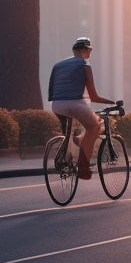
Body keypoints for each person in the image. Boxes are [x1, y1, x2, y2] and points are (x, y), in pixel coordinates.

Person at [48, 37, 116, 180]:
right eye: (89, 50)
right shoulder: (85, 66)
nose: (90, 52)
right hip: (75, 104)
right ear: (85, 50)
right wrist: (112, 102)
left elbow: (51, 90)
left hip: (56, 104)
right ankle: (83, 169)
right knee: (94, 127)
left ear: (74, 50)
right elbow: (94, 97)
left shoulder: (58, 65)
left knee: (70, 132)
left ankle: (68, 155)